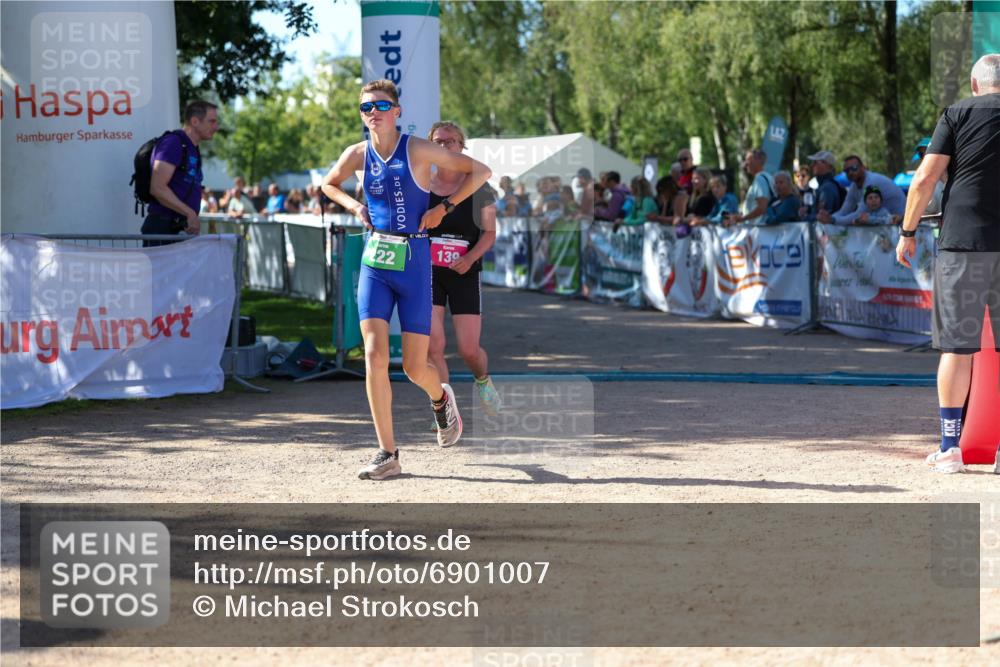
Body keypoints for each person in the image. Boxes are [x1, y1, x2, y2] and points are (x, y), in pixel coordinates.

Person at [320, 79, 492, 481]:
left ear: (396, 111)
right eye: (366, 108)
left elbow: (481, 172)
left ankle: (441, 399)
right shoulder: (358, 153)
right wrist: (354, 205)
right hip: (375, 259)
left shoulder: (417, 148)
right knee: (375, 355)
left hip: (415, 260)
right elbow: (329, 183)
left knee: (416, 367)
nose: (373, 113)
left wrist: (445, 208)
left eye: (380, 105)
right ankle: (387, 453)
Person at [896, 53, 1000, 474]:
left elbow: (924, 178)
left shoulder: (956, 114)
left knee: (956, 349)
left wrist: (907, 232)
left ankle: (950, 449)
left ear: (976, 85)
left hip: (963, 245)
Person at [424, 121, 503, 417]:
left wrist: (470, 258)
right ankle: (444, 410)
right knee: (435, 346)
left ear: (461, 147)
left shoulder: (479, 188)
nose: (444, 147)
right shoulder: (421, 185)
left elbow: (490, 233)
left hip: (464, 273)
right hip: (429, 273)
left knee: (469, 350)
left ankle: (483, 380)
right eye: (438, 142)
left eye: (451, 141)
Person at [141, 100, 219, 245]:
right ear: (195, 121)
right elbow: (157, 188)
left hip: (179, 229)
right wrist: (189, 213)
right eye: (212, 121)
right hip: (162, 229)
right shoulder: (173, 143)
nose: (216, 127)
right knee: (161, 269)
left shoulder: (192, 148)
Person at [819, 155, 906, 225]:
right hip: (889, 225)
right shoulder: (854, 186)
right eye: (846, 170)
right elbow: (844, 211)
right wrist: (829, 217)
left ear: (863, 167)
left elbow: (859, 215)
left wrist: (832, 220)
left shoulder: (871, 182)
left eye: (854, 168)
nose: (850, 172)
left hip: (901, 225)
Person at [727, 148, 773, 226]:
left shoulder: (760, 179)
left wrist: (743, 218)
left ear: (758, 161)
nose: (746, 163)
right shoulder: (768, 177)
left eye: (748, 159)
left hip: (759, 228)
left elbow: (762, 207)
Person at [800, 150, 844, 222]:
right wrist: (809, 210)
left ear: (827, 165)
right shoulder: (826, 185)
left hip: (827, 232)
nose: (812, 165)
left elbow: (822, 217)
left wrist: (805, 216)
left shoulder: (827, 187)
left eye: (815, 162)